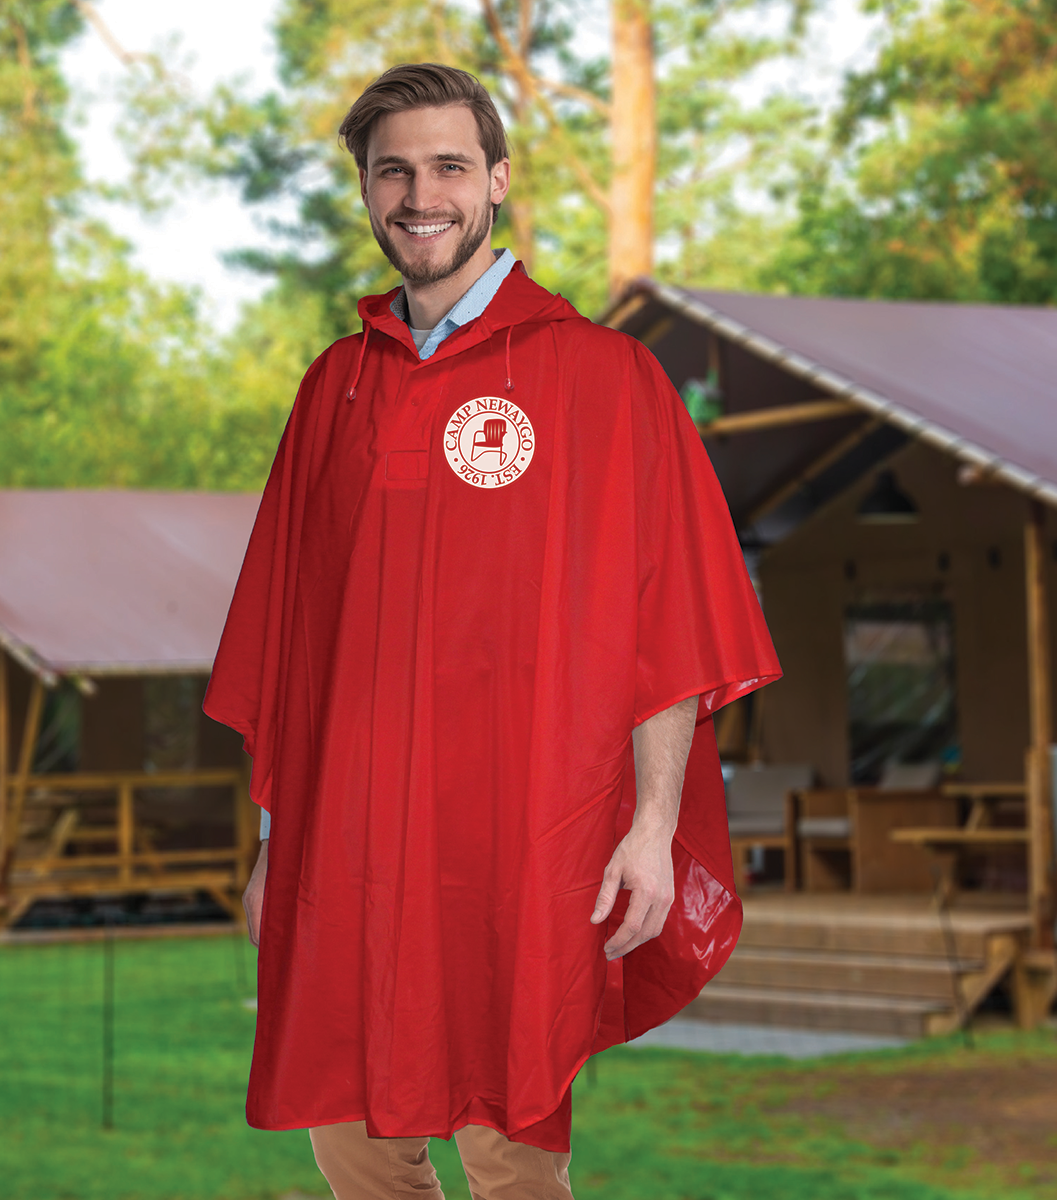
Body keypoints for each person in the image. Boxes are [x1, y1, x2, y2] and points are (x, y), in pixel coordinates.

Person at [205, 62, 780, 1200]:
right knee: (350, 1130)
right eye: (395, 171)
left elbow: (665, 613)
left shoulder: (604, 379)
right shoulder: (335, 390)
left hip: (531, 822)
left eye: (450, 167)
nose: (422, 195)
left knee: (510, 1137)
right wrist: (277, 835)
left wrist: (654, 826)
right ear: (368, 193)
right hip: (357, 831)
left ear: (499, 182)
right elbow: (291, 632)